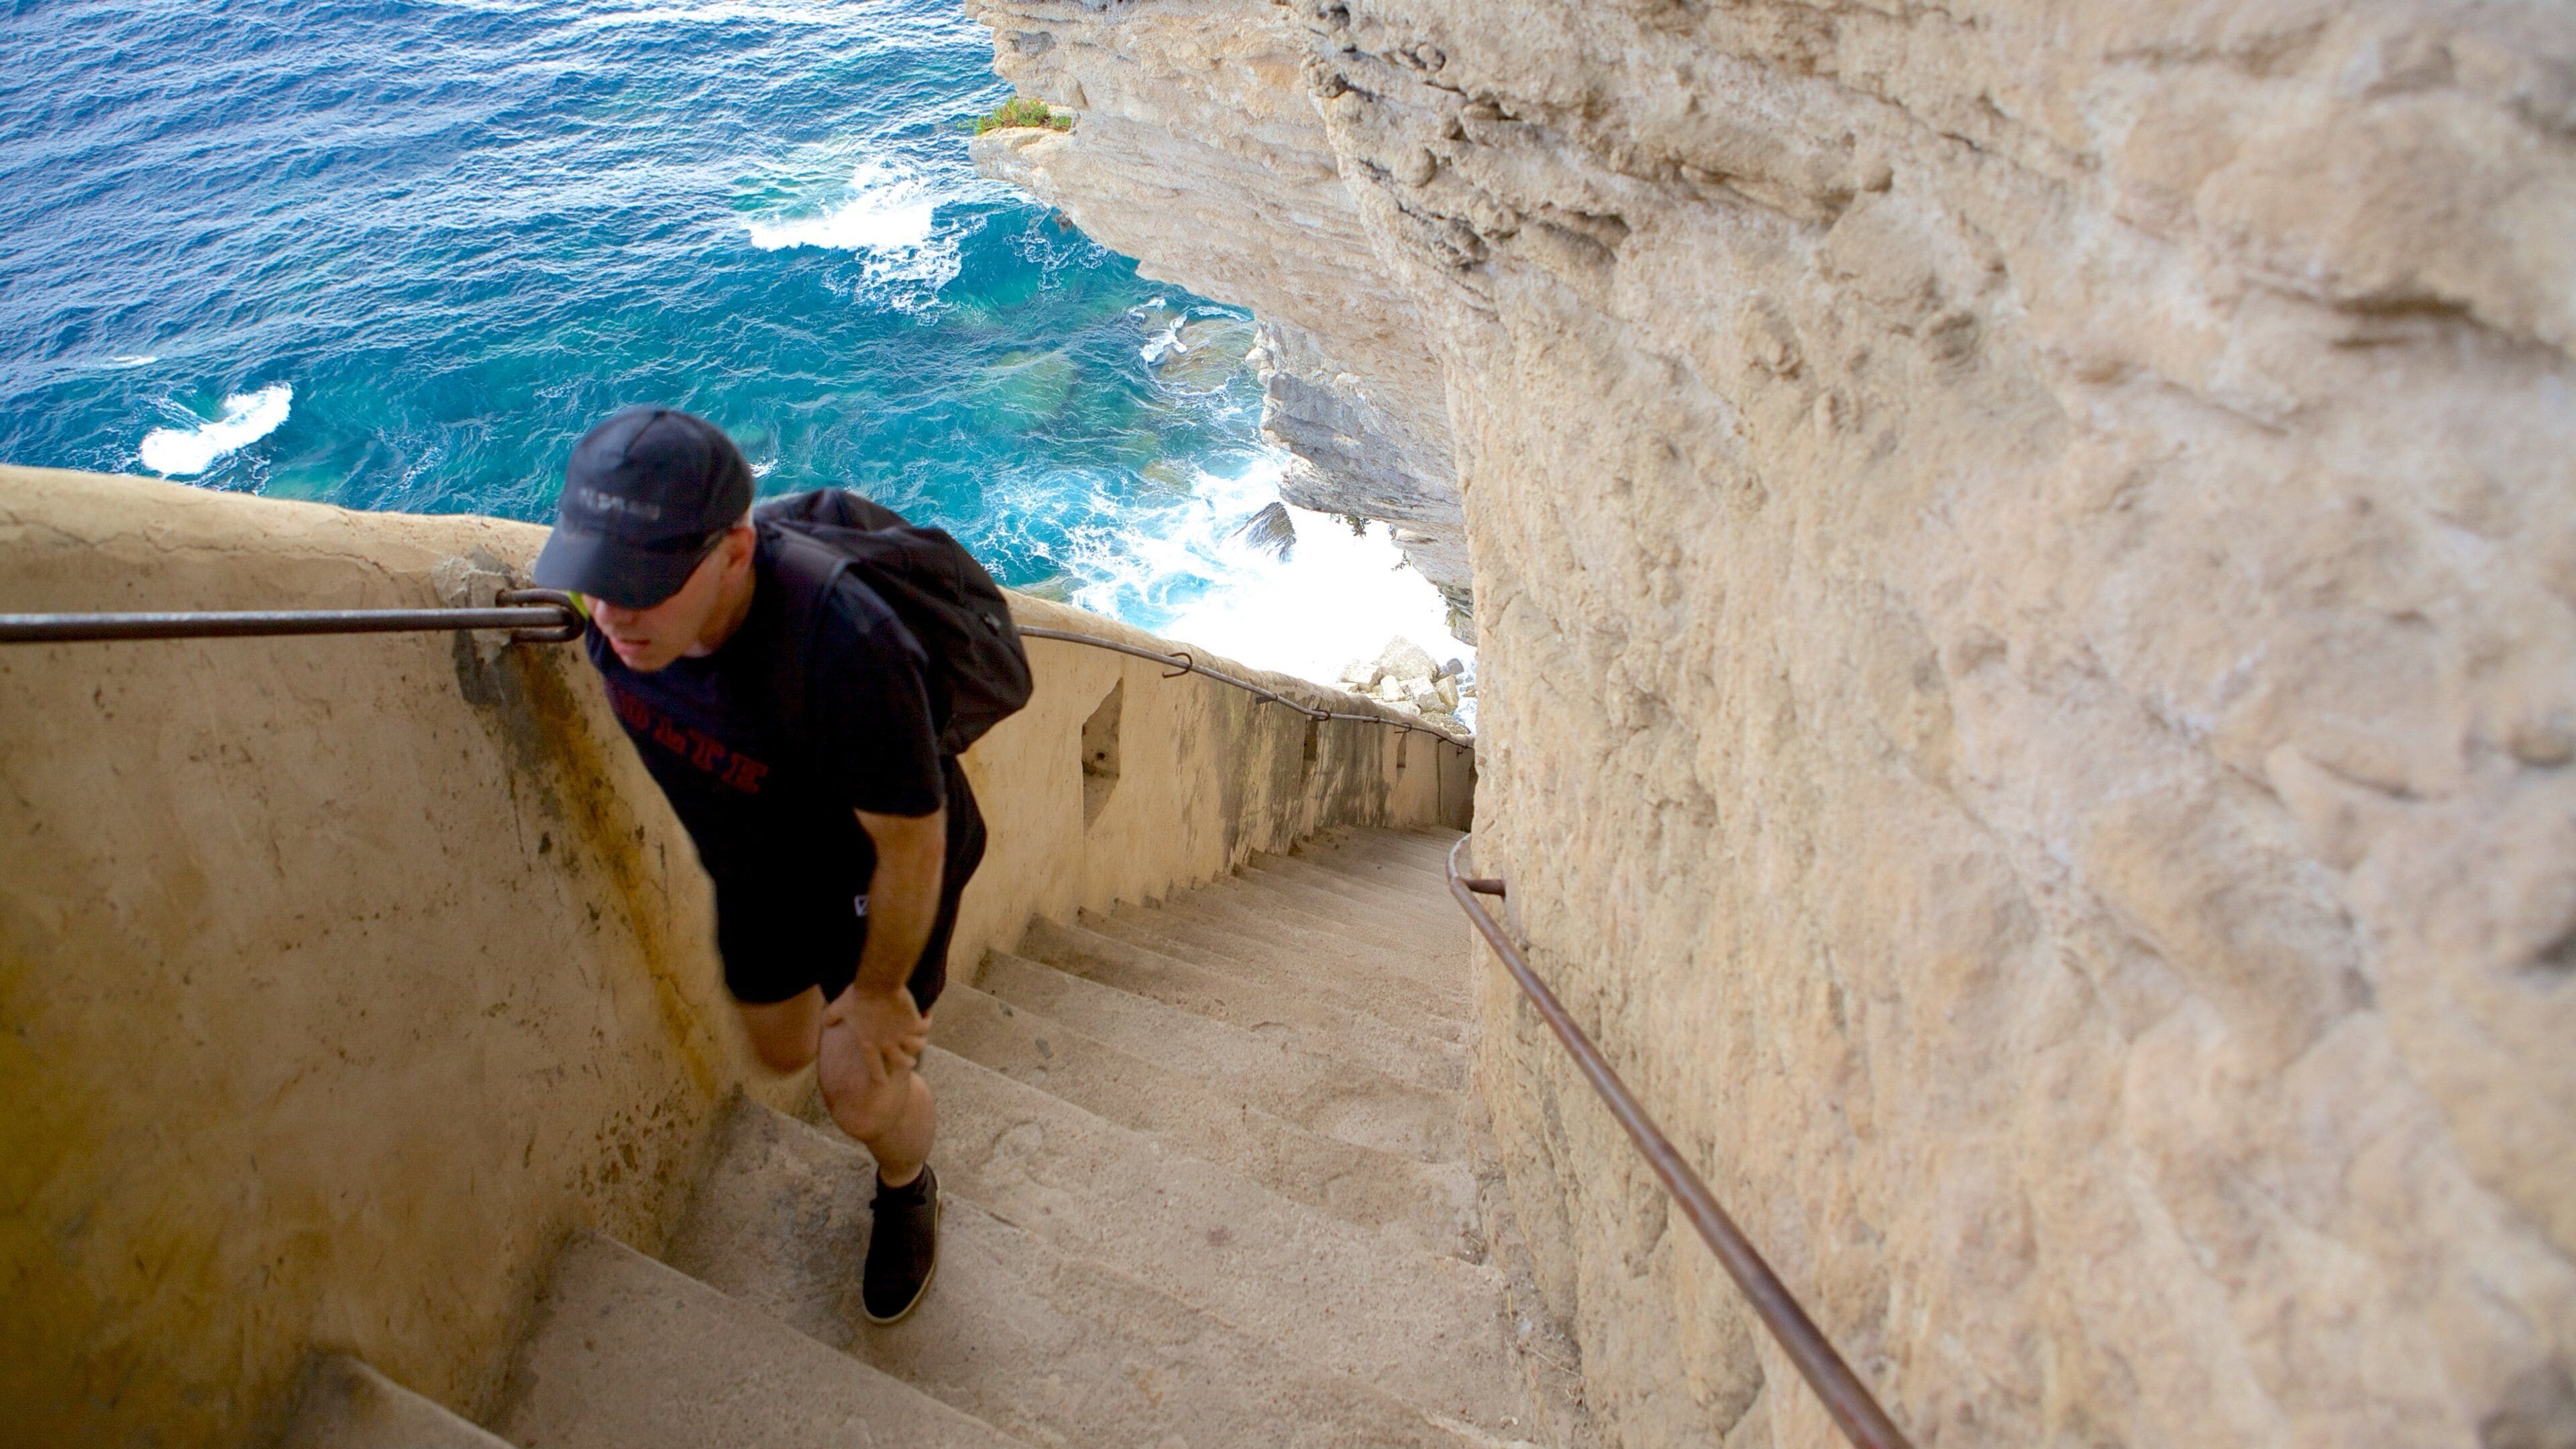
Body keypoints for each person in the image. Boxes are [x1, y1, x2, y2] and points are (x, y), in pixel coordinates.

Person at [533, 405, 984, 1326]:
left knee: (856, 1091)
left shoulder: (846, 650)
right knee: (781, 1050)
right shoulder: (613, 617)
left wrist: (880, 988)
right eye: (592, 579)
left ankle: (906, 1184)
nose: (613, 614)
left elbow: (915, 839)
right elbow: (603, 607)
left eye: (643, 583)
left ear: (734, 554)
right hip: (758, 868)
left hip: (872, 879)